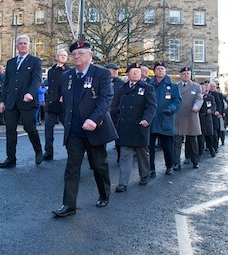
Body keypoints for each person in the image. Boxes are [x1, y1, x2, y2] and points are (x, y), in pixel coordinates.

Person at [52, 41, 118, 217]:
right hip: (74, 131)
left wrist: (94, 119)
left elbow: (106, 99)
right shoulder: (68, 75)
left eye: (81, 53)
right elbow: (66, 101)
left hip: (94, 129)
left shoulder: (102, 74)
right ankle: (69, 205)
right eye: (74, 54)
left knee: (98, 165)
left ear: (90, 55)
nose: (76, 57)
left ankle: (104, 194)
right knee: (72, 167)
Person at [0, 34, 44, 168]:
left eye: (25, 43)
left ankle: (38, 151)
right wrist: (2, 101)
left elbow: (36, 80)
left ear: (29, 45)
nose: (22, 45)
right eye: (20, 43)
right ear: (16, 46)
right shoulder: (10, 62)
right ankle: (11, 159)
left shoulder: (35, 61)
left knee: (30, 128)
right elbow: (7, 84)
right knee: (10, 131)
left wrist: (30, 93)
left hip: (27, 102)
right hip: (11, 102)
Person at [110, 62, 156, 190]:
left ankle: (144, 175)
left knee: (142, 153)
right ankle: (123, 183)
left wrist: (147, 119)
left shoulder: (147, 88)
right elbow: (114, 105)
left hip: (141, 125)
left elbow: (151, 106)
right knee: (125, 154)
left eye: (138, 71)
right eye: (133, 71)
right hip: (125, 126)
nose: (135, 73)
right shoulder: (122, 89)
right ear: (128, 74)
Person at [148, 61, 182, 177]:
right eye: (158, 68)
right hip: (151, 121)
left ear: (165, 71)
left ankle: (169, 166)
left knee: (167, 147)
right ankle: (151, 169)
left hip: (165, 119)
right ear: (154, 71)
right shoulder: (149, 85)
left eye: (162, 68)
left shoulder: (173, 86)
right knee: (149, 148)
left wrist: (171, 109)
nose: (160, 70)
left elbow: (177, 101)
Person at [173, 66, 204, 170]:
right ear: (180, 75)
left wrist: (196, 107)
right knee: (177, 142)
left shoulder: (196, 86)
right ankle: (176, 163)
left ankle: (195, 161)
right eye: (184, 74)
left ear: (190, 75)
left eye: (188, 74)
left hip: (191, 115)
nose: (186, 75)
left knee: (192, 141)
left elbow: (199, 99)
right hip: (178, 116)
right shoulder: (176, 86)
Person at [43, 49, 70, 161]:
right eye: (61, 55)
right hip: (51, 104)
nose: (63, 57)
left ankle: (72, 151)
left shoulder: (69, 71)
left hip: (63, 104)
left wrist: (64, 95)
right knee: (48, 129)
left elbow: (69, 86)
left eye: (65, 55)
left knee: (69, 129)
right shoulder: (51, 71)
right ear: (56, 57)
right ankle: (48, 152)